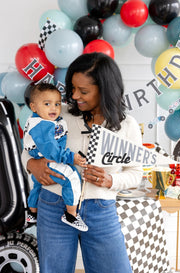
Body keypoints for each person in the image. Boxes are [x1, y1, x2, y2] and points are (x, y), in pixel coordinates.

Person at [21, 52, 143, 273]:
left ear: (105, 89)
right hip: (53, 205)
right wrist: (33, 165)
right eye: (72, 88)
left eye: (84, 91)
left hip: (101, 210)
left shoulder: (127, 125)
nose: (75, 95)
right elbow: (27, 150)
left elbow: (136, 172)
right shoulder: (58, 114)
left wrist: (111, 179)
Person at [23, 82, 88, 231]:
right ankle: (71, 215)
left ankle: (32, 212)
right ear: (34, 107)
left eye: (57, 104)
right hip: (47, 158)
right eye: (47, 104)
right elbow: (52, 151)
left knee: (37, 184)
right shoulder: (42, 125)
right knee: (71, 176)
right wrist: (71, 158)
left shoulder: (47, 119)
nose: (54, 108)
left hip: (43, 157)